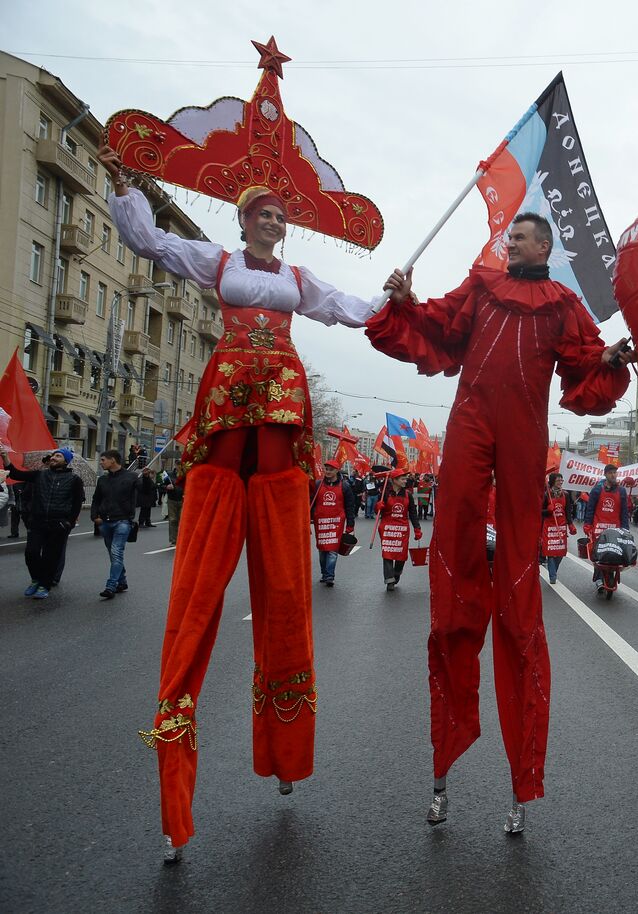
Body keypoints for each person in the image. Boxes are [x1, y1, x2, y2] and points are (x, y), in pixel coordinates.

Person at [100, 145, 384, 860]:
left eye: (280, 216)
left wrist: (393, 298)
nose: (272, 223)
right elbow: (152, 243)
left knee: (286, 597)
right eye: (263, 214)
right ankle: (174, 802)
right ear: (244, 219)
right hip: (227, 424)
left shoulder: (295, 278)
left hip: (282, 435)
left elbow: (349, 309)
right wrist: (127, 190)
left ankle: (287, 757)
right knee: (196, 600)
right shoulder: (217, 264)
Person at [368, 211, 632, 833]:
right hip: (472, 418)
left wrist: (616, 358)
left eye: (518, 236)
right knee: (456, 561)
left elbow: (587, 366)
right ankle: (458, 621)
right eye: (508, 236)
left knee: (518, 594)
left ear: (543, 245)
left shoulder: (562, 303)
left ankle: (521, 773)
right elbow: (439, 325)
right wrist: (407, 301)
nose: (507, 242)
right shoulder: (483, 286)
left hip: (521, 431)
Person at [2, 446, 84, 599]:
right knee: (31, 552)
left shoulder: (74, 480)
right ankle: (36, 579)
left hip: (58, 524)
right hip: (38, 522)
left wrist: (69, 524)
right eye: (53, 456)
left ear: (66, 461)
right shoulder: (40, 475)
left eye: (58, 456)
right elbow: (15, 473)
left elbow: (77, 504)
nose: (53, 458)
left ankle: (44, 585)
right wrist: (5, 456)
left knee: (50, 557)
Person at [92, 449, 139, 599]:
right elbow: (96, 500)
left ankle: (111, 586)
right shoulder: (103, 480)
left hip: (123, 521)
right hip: (105, 522)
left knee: (116, 552)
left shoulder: (131, 477)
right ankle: (122, 581)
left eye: (103, 460)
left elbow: (146, 491)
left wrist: (146, 479)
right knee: (113, 554)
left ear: (113, 460)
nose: (101, 462)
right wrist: (95, 517)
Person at [583, 464, 633, 594]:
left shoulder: (621, 491)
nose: (613, 475)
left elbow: (624, 512)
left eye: (615, 472)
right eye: (611, 472)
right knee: (598, 555)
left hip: (615, 529)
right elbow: (590, 508)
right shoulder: (597, 489)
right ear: (605, 474)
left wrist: (625, 528)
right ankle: (599, 578)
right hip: (599, 527)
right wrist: (588, 524)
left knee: (615, 553)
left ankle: (612, 576)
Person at [311, 462, 357, 586]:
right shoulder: (318, 484)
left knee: (332, 550)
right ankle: (324, 573)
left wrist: (350, 524)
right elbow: (311, 503)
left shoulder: (345, 487)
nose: (328, 471)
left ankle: (330, 576)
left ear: (337, 470)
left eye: (331, 469)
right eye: (326, 469)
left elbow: (349, 506)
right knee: (322, 550)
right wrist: (308, 518)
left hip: (336, 523)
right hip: (320, 523)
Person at [377, 469, 421, 590]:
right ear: (394, 480)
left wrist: (417, 528)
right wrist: (378, 506)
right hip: (387, 528)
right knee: (388, 552)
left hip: (402, 529)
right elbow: (378, 512)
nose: (405, 481)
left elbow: (413, 513)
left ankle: (397, 573)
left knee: (401, 555)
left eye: (405, 478)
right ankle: (389, 580)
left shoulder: (408, 495)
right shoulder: (385, 493)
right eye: (402, 479)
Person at [540, 472, 574, 586]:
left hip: (561, 527)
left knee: (559, 553)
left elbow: (568, 511)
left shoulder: (566, 495)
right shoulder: (546, 495)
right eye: (558, 480)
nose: (560, 482)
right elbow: (539, 512)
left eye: (561, 480)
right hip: (549, 527)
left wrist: (570, 525)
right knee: (550, 552)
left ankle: (554, 569)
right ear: (553, 481)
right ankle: (552, 575)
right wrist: (548, 510)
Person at [163, 468, 185, 546]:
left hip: (183, 499)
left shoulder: (185, 474)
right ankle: (173, 540)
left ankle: (182, 539)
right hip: (172, 500)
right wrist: (167, 487)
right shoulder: (168, 474)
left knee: (182, 520)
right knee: (173, 520)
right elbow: (162, 485)